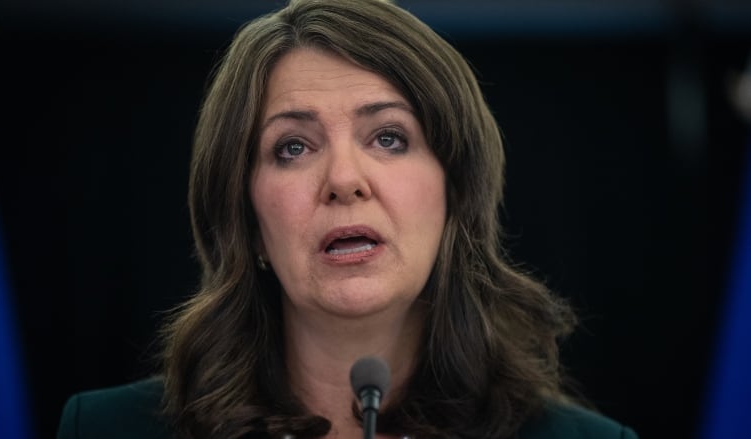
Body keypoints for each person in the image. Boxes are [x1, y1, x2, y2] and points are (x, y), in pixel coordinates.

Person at [57, 0, 638, 438]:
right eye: (292, 147)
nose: (343, 179)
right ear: (247, 220)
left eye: (388, 137)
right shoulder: (107, 428)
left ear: (456, 194)